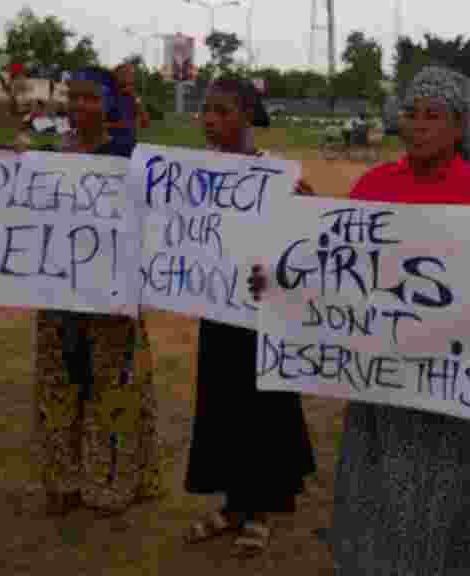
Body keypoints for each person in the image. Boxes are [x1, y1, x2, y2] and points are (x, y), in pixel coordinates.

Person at [248, 65, 470, 574]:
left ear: (460, 126)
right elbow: (341, 267)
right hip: (380, 370)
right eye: (411, 113)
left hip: (445, 374)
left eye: (433, 115)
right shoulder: (375, 182)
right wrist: (281, 279)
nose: (417, 125)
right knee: (375, 473)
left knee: (441, 479)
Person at [17, 67, 162, 518]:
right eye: (72, 98)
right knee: (57, 386)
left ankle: (112, 483)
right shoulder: (54, 154)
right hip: (60, 294)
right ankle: (63, 481)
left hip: (111, 296)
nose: (79, 107)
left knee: (114, 389)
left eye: (90, 99)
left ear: (108, 104)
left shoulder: (130, 156)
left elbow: (156, 218)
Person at [184, 77, 316, 556]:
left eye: (222, 111)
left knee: (265, 407)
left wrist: (308, 205)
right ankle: (233, 503)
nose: (210, 120)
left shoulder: (275, 175)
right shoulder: (191, 173)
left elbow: (305, 241)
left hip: (265, 314)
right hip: (216, 309)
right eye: (206, 110)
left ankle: (263, 509)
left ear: (247, 116)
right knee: (220, 404)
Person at [106, 63, 149, 158]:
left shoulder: (133, 97)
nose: (130, 77)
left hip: (130, 149)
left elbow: (145, 123)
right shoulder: (108, 96)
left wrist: (136, 100)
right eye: (127, 73)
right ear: (116, 76)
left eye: (132, 74)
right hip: (110, 150)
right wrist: (115, 125)